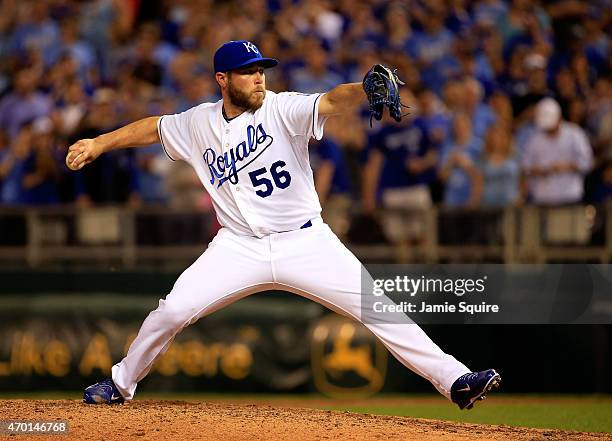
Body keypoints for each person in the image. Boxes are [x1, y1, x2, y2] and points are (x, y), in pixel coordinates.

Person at [67, 40, 500, 410]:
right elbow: (153, 128)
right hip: (238, 246)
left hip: (306, 242)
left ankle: (456, 380)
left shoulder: (282, 108)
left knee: (378, 307)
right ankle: (121, 383)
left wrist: (363, 88)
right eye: (247, 72)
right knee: (174, 310)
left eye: (260, 70)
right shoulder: (198, 122)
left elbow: (331, 100)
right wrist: (100, 142)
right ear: (222, 79)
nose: (258, 78)